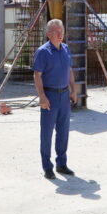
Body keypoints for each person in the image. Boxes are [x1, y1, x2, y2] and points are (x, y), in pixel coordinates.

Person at [32, 18, 78, 179]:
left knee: (63, 131)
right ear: (48, 34)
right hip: (50, 96)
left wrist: (74, 90)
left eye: (62, 31)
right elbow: (37, 75)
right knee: (47, 132)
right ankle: (47, 167)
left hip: (64, 95)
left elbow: (69, 71)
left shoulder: (66, 49)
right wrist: (42, 97)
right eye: (57, 31)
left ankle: (61, 164)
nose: (60, 34)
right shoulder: (43, 52)